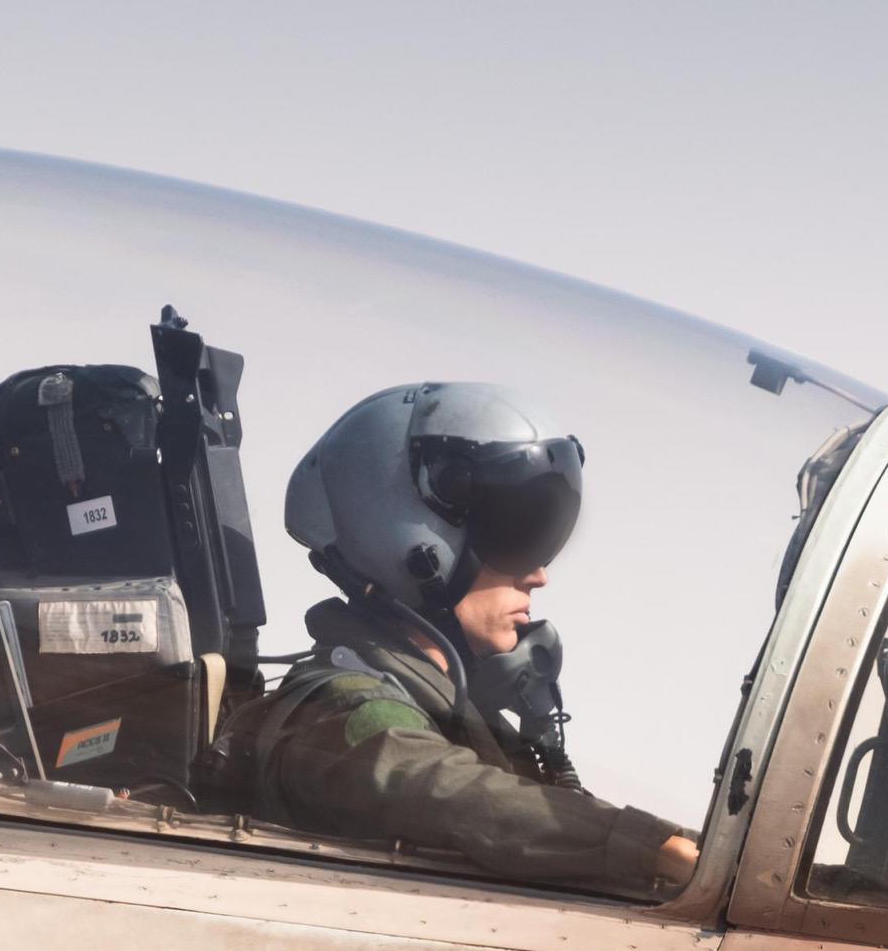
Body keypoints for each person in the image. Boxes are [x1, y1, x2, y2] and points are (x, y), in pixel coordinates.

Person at [221, 381, 697, 899]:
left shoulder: (456, 716)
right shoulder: (342, 708)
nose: (539, 575)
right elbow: (445, 792)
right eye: (518, 536)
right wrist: (654, 849)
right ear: (412, 545)